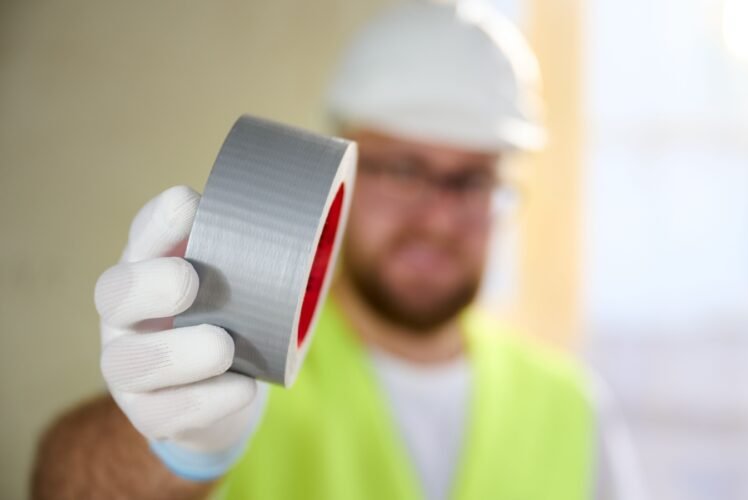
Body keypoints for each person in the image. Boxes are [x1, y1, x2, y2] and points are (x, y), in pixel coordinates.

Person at [32, 2, 645, 499]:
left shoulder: (573, 410)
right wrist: (175, 451)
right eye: (403, 169)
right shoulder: (237, 358)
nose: (437, 217)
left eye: (472, 180)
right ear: (339, 168)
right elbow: (60, 484)